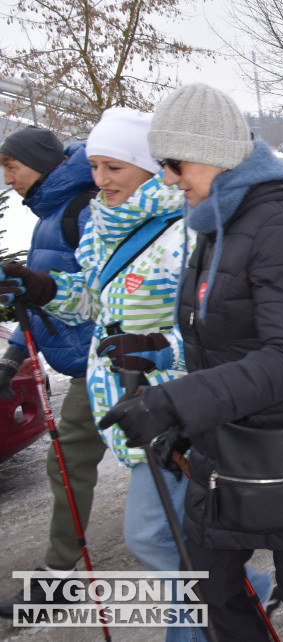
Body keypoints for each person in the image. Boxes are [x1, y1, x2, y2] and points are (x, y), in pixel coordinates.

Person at [99, 83, 283, 640]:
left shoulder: (280, 222)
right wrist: (162, 357)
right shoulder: (216, 220)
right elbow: (225, 328)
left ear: (214, 153)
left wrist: (177, 402)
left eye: (174, 163)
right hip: (226, 442)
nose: (169, 178)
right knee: (208, 583)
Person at [1, 108, 275, 640]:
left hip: (178, 409)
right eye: (97, 167)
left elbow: (221, 330)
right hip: (127, 408)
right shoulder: (103, 224)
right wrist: (42, 287)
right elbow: (93, 305)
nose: (100, 181)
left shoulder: (185, 230)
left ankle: (231, 603)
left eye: (114, 169)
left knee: (157, 537)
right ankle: (243, 593)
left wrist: (157, 350)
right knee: (174, 540)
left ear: (150, 169)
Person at [0, 127, 99, 617]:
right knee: (67, 463)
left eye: (12, 166)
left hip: (114, 361)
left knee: (73, 460)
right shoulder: (47, 215)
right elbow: (36, 299)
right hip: (86, 368)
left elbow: (97, 294)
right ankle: (61, 574)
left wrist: (38, 286)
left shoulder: (83, 207)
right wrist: (14, 355)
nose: (7, 177)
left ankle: (233, 569)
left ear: (41, 163)